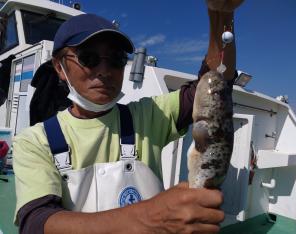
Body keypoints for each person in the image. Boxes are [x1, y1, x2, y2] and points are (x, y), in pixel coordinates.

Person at [13, 1, 243, 233]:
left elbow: (214, 85)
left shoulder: (147, 116)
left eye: (116, 59)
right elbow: (36, 223)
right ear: (60, 67)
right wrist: (151, 218)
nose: (104, 70)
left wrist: (221, 14)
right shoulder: (35, 141)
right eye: (88, 58)